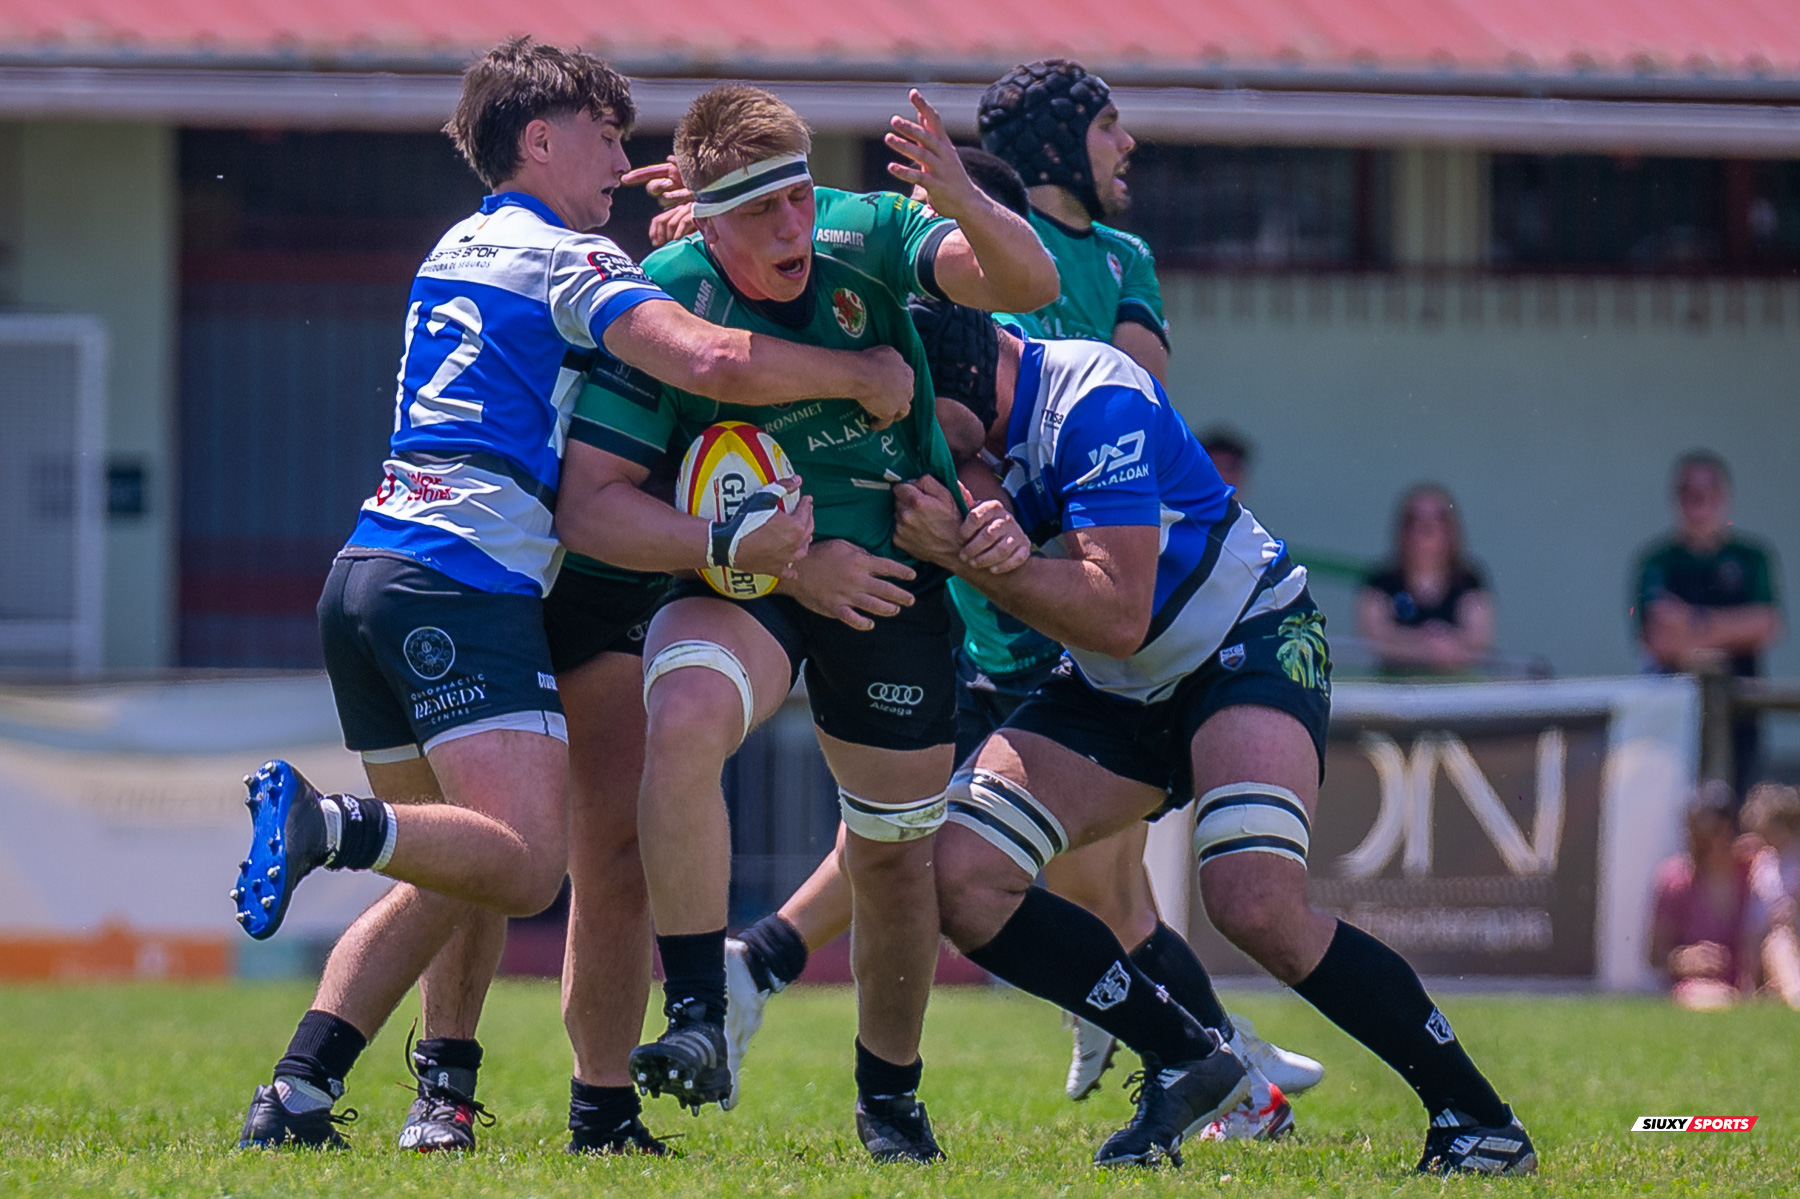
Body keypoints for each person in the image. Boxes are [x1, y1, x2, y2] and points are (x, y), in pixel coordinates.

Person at [229, 39, 917, 1149]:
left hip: (368, 575)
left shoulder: (455, 246)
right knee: (523, 857)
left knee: (452, 860)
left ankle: (306, 1089)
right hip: (464, 582)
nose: (621, 157)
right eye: (604, 134)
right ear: (538, 139)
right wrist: (861, 374)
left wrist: (695, 239)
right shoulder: (569, 258)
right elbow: (710, 360)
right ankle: (330, 825)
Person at [722, 65, 1323, 1134]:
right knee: (956, 846)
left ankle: (1216, 1064)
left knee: (1060, 877)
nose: (1125, 143)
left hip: (1075, 611)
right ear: (1052, 147)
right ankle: (1221, 1063)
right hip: (991, 613)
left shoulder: (1091, 267)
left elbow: (1126, 402)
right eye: (1106, 125)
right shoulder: (946, 255)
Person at [889, 301, 1536, 1174]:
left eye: (928, 423)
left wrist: (971, 552)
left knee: (1252, 900)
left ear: (970, 381)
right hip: (1120, 686)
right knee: (961, 874)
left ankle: (1478, 1116)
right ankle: (1189, 1053)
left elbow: (1116, 612)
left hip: (1247, 643)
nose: (922, 445)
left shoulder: (1094, 403)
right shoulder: (966, 375)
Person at [554, 82, 1057, 1163]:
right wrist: (761, 550)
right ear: (699, 212)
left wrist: (961, 194)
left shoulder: (866, 231)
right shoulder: (666, 293)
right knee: (681, 710)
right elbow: (593, 501)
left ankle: (891, 1094)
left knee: (889, 855)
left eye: (795, 195)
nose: (788, 225)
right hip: (749, 577)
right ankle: (696, 1014)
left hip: (892, 578)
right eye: (755, 210)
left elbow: (1029, 279)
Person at [1634, 451, 1784, 797]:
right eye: (1689, 491)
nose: (1699, 500)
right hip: (1672, 723)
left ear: (1725, 497)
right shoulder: (1657, 561)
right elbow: (1658, 640)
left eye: (1709, 491)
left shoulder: (1752, 557)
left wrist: (1692, 621)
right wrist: (1732, 629)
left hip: (1742, 716)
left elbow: (1766, 625)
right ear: (1676, 499)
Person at [1356, 484, 1495, 677]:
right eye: (1416, 520)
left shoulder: (1468, 580)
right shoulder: (1381, 580)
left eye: (1438, 519)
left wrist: (1446, 648)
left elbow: (1478, 639)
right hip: (1394, 688)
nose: (1426, 529)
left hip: (1455, 689)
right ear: (1402, 529)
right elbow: (1374, 637)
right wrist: (1424, 646)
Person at [1649, 781, 1755, 1010]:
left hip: (1754, 983)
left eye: (1710, 833)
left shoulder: (1755, 871)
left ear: (1731, 829)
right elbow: (1655, 956)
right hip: (1699, 987)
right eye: (1694, 833)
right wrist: (1683, 960)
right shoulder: (1675, 879)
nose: (1701, 843)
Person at [1742, 782, 1800, 1008]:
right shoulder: (1763, 863)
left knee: (1781, 940)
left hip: (1791, 935)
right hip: (1767, 941)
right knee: (1776, 941)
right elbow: (1754, 924)